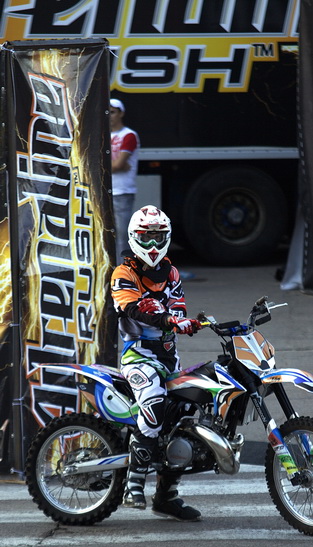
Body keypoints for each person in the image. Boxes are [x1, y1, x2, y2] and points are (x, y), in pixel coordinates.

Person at [110, 205, 202, 521]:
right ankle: (133, 485)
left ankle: (166, 496)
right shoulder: (123, 273)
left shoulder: (171, 272)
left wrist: (188, 322)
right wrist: (168, 320)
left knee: (186, 413)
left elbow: (178, 308)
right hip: (137, 357)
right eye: (146, 237)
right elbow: (132, 310)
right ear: (134, 237)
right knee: (153, 401)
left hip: (168, 358)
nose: (152, 244)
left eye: (158, 237)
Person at [110, 98, 140, 260]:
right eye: (107, 112)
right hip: (105, 191)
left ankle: (125, 269)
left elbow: (119, 164)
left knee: (122, 237)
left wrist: (114, 165)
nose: (110, 116)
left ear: (121, 114)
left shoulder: (128, 135)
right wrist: (116, 165)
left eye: (113, 112)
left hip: (122, 192)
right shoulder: (102, 135)